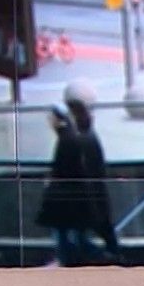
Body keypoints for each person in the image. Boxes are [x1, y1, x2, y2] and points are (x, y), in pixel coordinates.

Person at [37, 99, 121, 265]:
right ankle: (107, 257)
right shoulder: (81, 137)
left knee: (70, 240)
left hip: (70, 201)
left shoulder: (70, 140)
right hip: (79, 201)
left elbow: (66, 171)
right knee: (76, 238)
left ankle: (106, 259)